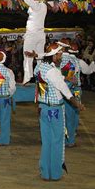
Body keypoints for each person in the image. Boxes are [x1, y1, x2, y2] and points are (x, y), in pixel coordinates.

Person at [34, 43, 85, 181]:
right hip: (55, 109)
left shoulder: (39, 67)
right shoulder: (53, 71)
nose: (61, 57)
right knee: (57, 141)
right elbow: (65, 90)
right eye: (59, 54)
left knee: (46, 141)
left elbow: (51, 80)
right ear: (54, 55)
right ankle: (55, 173)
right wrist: (77, 104)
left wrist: (64, 78)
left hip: (44, 108)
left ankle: (45, 172)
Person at [59, 43, 94, 147]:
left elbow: (65, 78)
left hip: (66, 90)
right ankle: (73, 132)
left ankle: (68, 138)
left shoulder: (62, 61)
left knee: (66, 115)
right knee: (75, 112)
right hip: (77, 89)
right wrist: (92, 63)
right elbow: (89, 71)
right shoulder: (78, 61)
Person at [17, 0, 48, 84]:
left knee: (27, 56)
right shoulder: (43, 6)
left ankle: (27, 78)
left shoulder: (37, 5)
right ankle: (42, 77)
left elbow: (27, 0)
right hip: (40, 34)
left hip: (32, 34)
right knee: (39, 57)